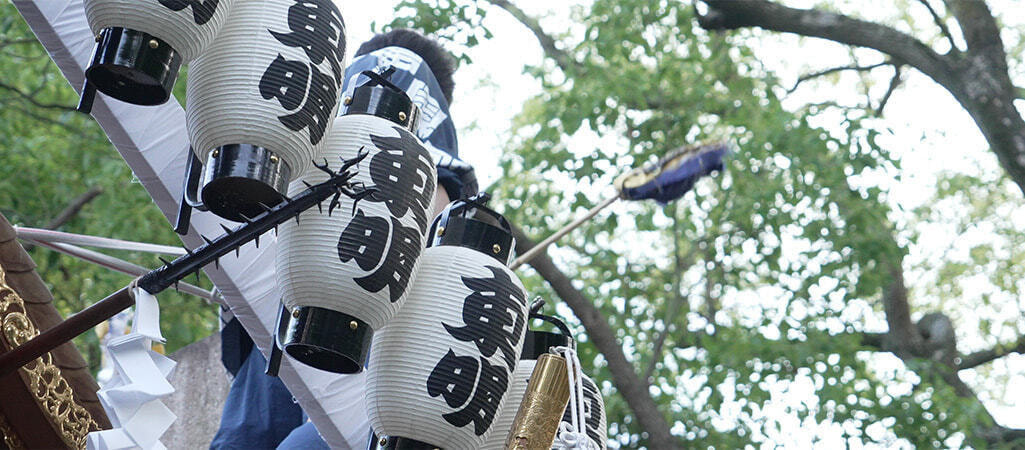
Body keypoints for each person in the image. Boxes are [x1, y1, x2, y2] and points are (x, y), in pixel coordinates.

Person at [210, 29, 477, 449]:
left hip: (373, 331)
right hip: (286, 319)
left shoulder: (439, 177)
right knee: (243, 440)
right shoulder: (313, 140)